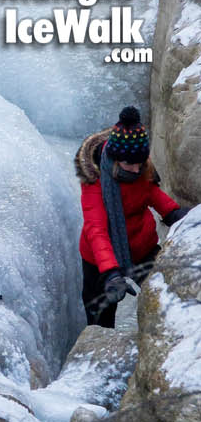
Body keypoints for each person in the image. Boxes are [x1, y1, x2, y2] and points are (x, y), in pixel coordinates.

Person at [75, 106, 190, 328]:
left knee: (166, 291)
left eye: (140, 163)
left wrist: (173, 212)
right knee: (100, 317)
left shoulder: (139, 166)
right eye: (130, 164)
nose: (137, 170)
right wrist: (110, 272)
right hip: (99, 259)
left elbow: (151, 192)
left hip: (142, 247)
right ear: (115, 158)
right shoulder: (94, 181)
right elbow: (96, 230)